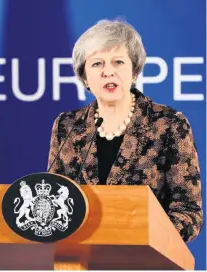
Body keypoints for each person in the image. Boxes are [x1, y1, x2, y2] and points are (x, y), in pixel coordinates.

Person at [47, 19, 203, 243]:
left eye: (118, 62)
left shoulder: (168, 124)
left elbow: (189, 213)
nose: (108, 72)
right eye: (97, 64)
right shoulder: (67, 126)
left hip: (147, 260)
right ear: (84, 78)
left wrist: (142, 237)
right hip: (79, 260)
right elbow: (54, 201)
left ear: (134, 72)